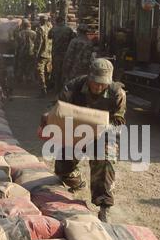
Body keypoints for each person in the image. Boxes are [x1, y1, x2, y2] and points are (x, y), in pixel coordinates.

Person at [53, 59, 127, 223]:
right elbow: (57, 109)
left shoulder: (117, 93)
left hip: (103, 135)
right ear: (89, 78)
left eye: (103, 84)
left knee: (105, 159)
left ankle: (104, 206)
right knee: (62, 167)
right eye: (95, 83)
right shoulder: (74, 87)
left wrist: (103, 127)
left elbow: (119, 121)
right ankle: (77, 182)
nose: (98, 87)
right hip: (76, 133)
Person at [48, 16, 75, 94]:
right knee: (65, 72)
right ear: (63, 21)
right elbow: (73, 38)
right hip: (66, 54)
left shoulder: (53, 29)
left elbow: (49, 37)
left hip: (56, 54)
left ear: (57, 22)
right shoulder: (69, 29)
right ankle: (63, 90)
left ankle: (56, 89)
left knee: (56, 72)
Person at [34, 15, 52, 98]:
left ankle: (43, 90)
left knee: (40, 72)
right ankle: (48, 88)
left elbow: (39, 42)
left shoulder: (40, 29)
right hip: (49, 54)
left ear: (41, 21)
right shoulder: (51, 28)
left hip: (42, 54)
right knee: (48, 72)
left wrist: (36, 53)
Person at [17, 18, 37, 84]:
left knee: (21, 65)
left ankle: (20, 78)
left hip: (22, 52)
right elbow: (36, 42)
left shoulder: (20, 33)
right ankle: (29, 79)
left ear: (23, 26)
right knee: (30, 66)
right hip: (31, 52)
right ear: (29, 26)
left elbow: (18, 43)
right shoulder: (34, 33)